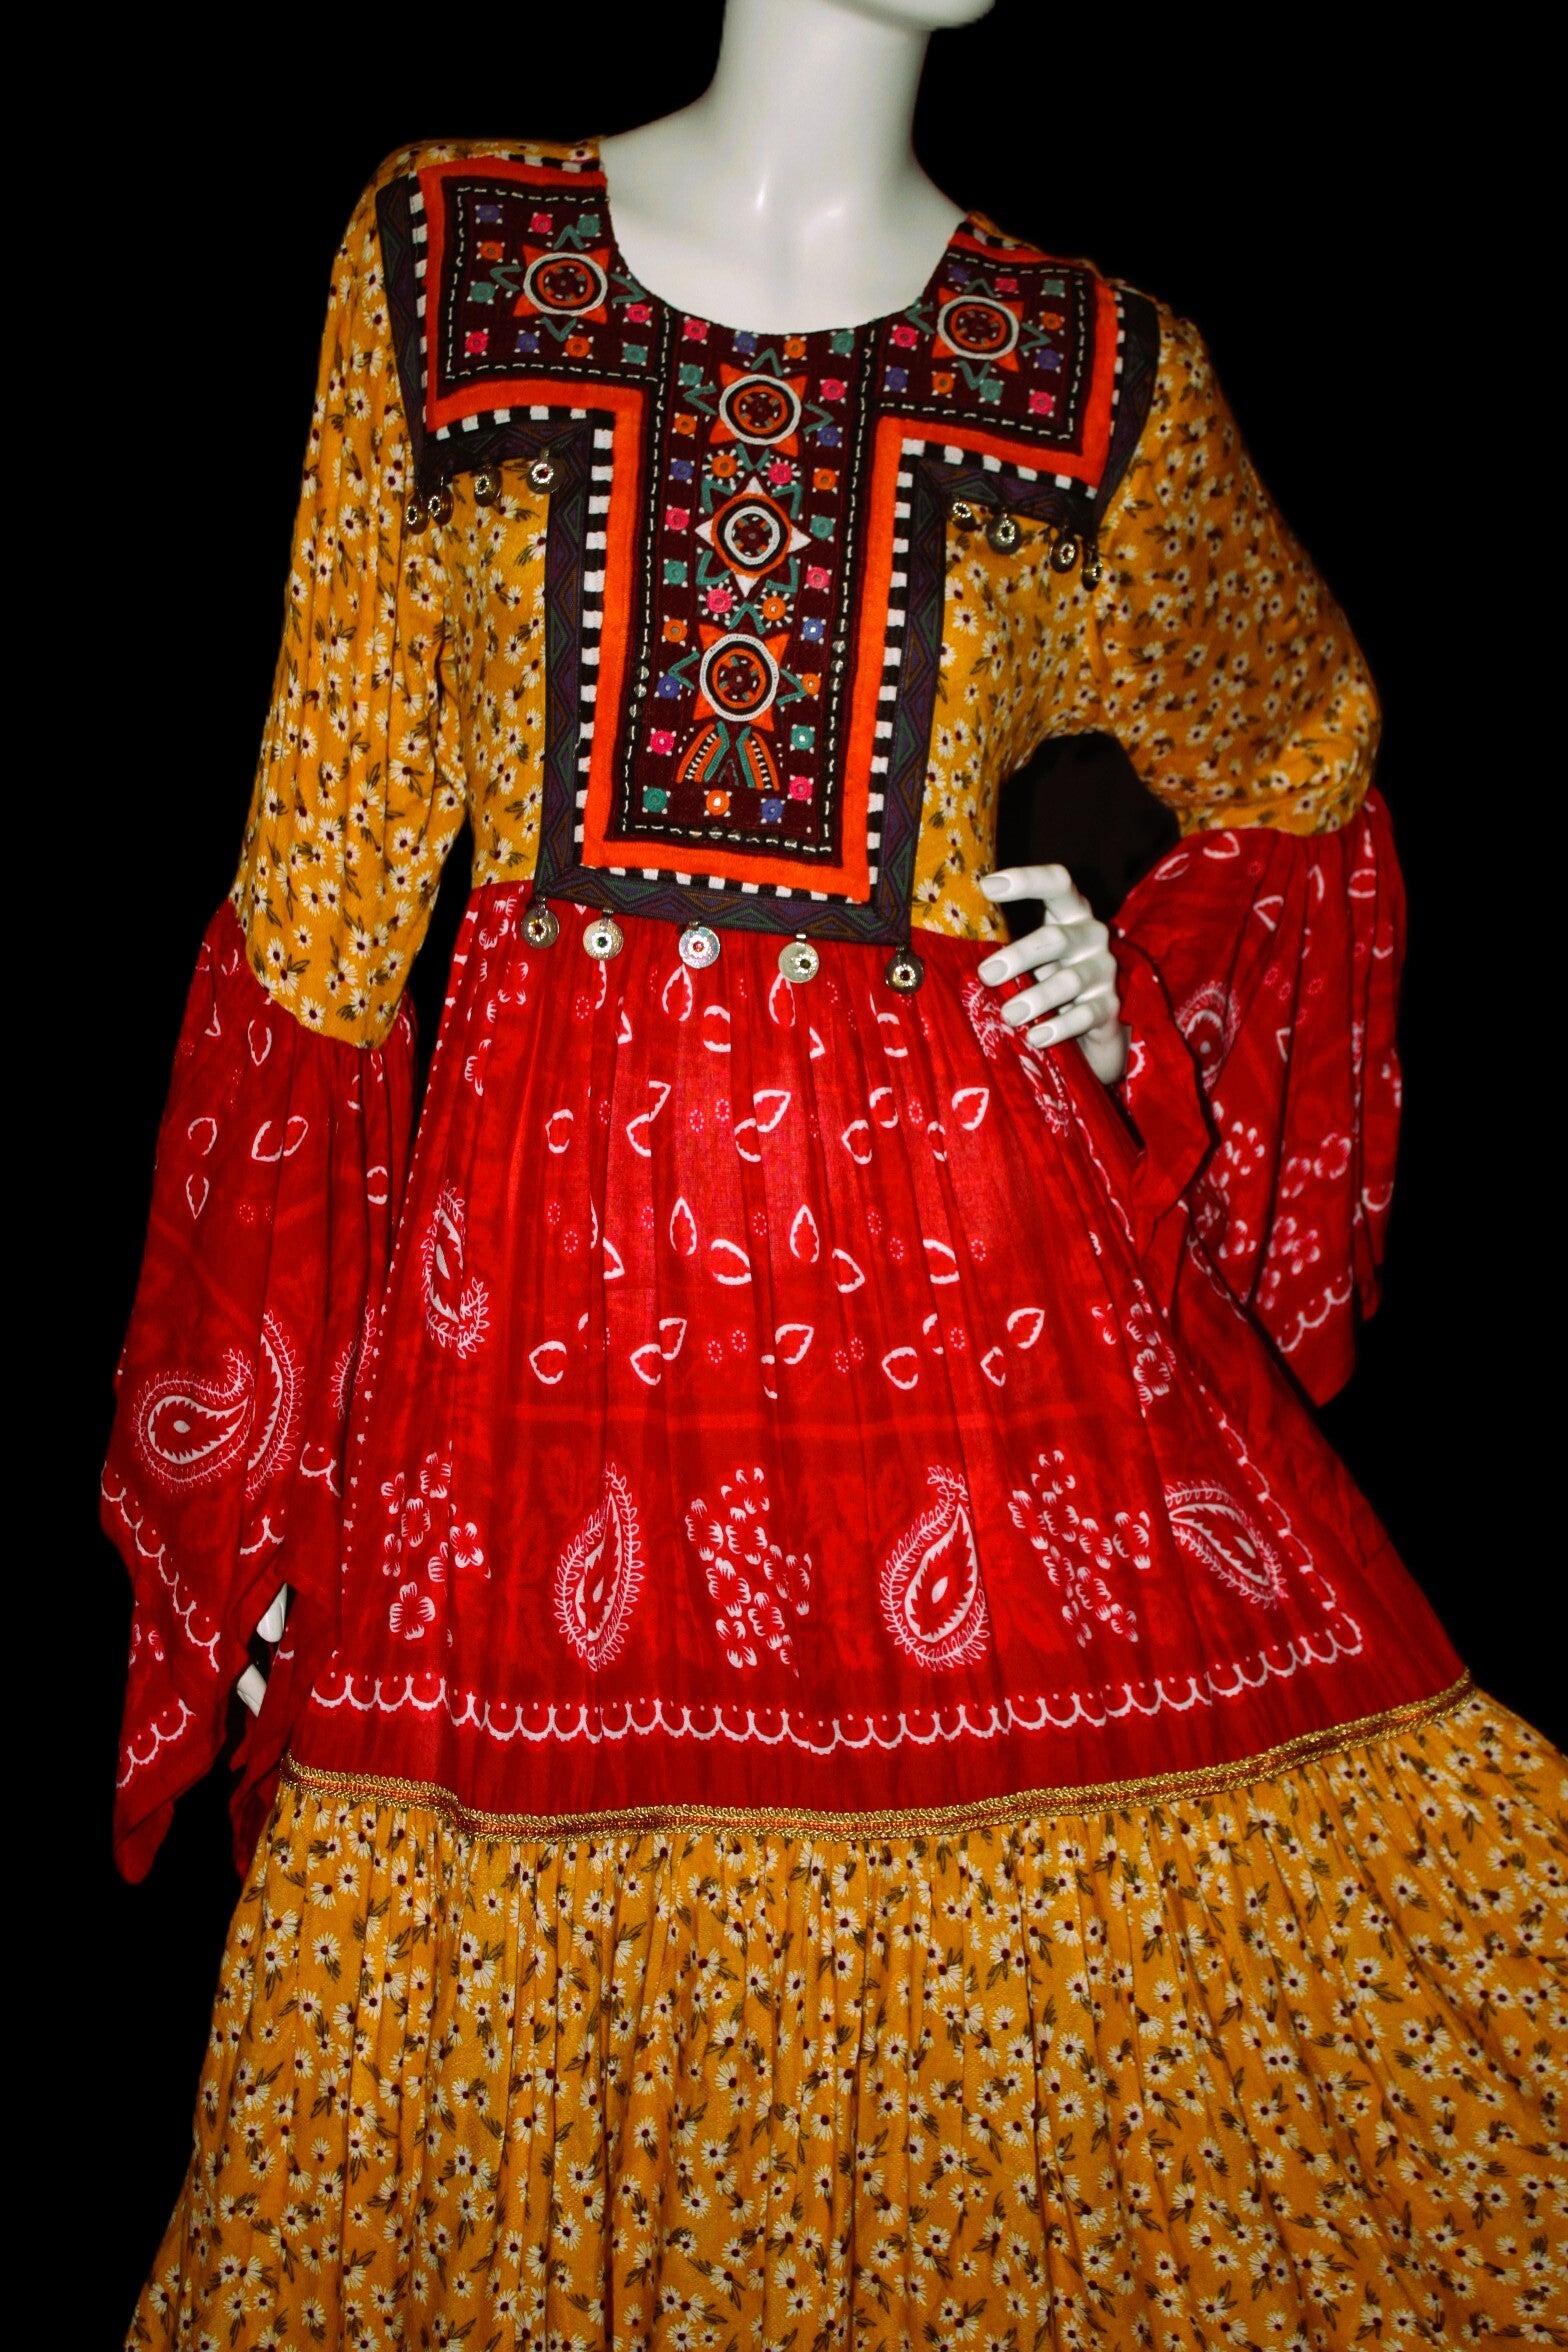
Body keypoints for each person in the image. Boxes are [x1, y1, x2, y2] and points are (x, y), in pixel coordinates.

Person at [112, 2, 1565, 2341]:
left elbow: (1295, 749)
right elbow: (325, 897)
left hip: (982, 1361)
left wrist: (1135, 988)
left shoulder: (1095, 368)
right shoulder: (452, 258)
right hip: (527, 1388)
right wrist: (263, 1460)